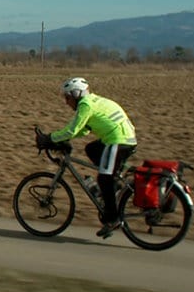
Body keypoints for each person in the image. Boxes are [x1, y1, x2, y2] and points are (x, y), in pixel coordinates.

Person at [36, 77, 137, 239]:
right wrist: (60, 139)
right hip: (121, 138)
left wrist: (49, 138)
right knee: (91, 149)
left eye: (67, 98)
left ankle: (113, 219)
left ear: (76, 94)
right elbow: (82, 130)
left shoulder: (85, 105)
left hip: (119, 141)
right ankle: (115, 183)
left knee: (104, 178)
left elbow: (72, 130)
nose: (66, 102)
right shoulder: (92, 101)